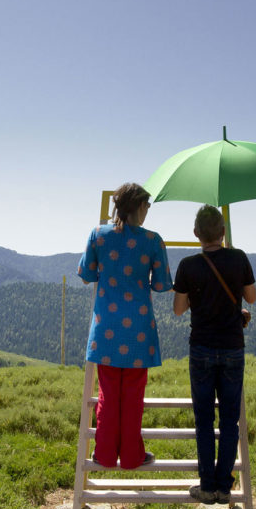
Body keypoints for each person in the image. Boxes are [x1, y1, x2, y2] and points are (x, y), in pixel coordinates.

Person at [77, 183, 172, 469]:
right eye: (147, 206)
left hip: (105, 327)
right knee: (133, 395)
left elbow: (86, 275)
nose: (147, 212)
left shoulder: (98, 234)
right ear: (138, 206)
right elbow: (161, 284)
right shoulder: (153, 240)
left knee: (107, 393)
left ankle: (104, 455)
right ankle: (132, 456)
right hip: (139, 329)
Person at [172, 205, 256, 504]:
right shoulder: (239, 257)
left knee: (204, 420)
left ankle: (207, 486)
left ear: (196, 234)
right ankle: (225, 486)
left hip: (202, 347)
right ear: (222, 232)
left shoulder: (187, 265)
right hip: (233, 347)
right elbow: (251, 297)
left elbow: (179, 310)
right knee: (230, 421)